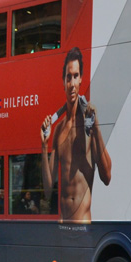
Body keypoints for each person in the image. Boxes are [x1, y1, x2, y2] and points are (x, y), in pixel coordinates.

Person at [41, 46, 112, 224]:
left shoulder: (88, 124)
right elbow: (48, 190)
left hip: (83, 225)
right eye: (68, 77)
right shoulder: (58, 130)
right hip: (62, 227)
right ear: (63, 81)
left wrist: (96, 127)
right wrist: (44, 145)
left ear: (81, 79)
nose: (72, 83)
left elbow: (107, 176)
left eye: (75, 76)